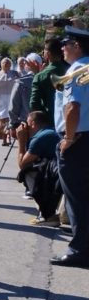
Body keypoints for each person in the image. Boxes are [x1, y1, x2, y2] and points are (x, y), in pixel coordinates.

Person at [51, 26, 89, 268]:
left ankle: (79, 250)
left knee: (76, 198)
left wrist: (69, 138)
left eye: (66, 44)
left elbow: (72, 107)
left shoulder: (76, 71)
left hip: (77, 140)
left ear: (77, 46)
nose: (62, 48)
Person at [15, 110, 61, 225]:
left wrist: (21, 141)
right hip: (65, 174)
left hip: (58, 178)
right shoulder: (53, 131)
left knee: (26, 172)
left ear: (33, 123)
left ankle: (48, 214)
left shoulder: (39, 138)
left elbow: (22, 164)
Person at [30, 38, 68, 128]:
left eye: (44, 51)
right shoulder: (71, 70)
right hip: (73, 121)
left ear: (48, 54)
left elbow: (34, 104)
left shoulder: (40, 76)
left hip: (51, 122)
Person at [0, 58, 19, 145]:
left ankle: (8, 137)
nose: (6, 64)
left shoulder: (15, 73)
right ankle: (4, 138)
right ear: (1, 64)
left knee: (9, 117)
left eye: (8, 63)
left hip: (11, 97)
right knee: (3, 118)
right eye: (4, 62)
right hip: (0, 98)